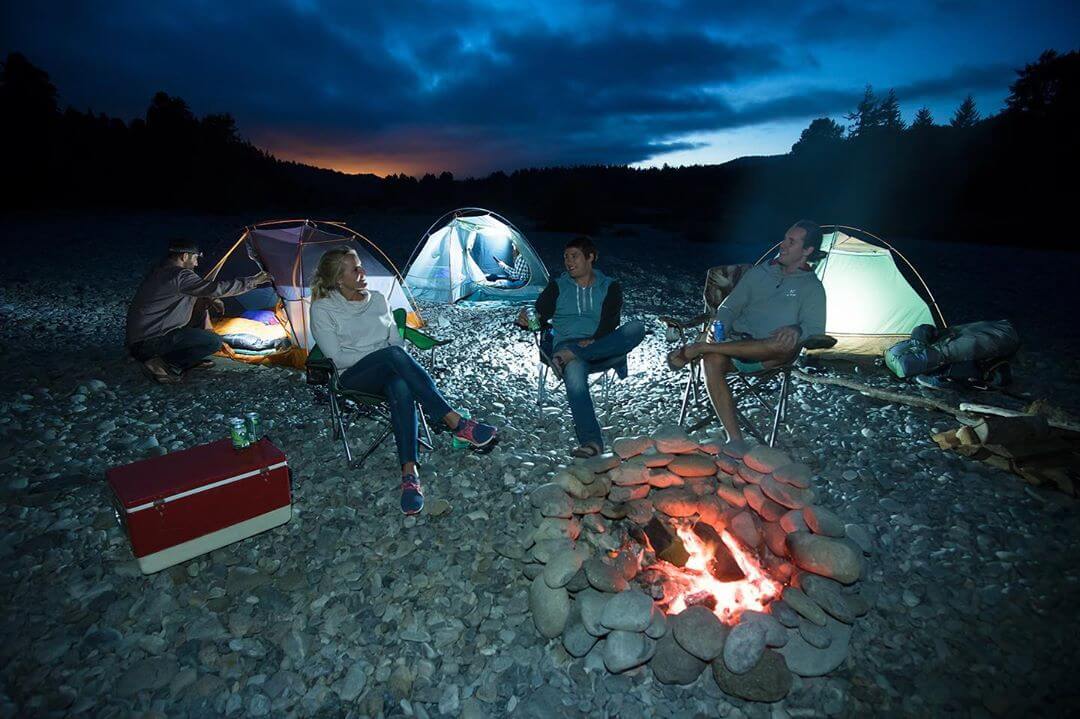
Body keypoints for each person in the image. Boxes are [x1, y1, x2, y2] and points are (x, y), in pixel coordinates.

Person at [309, 247, 498, 515]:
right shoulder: (323, 309)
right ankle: (454, 421)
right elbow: (337, 357)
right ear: (339, 279)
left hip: (390, 369)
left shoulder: (377, 299)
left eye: (361, 266)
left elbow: (395, 339)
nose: (363, 272)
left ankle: (410, 474)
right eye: (356, 269)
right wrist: (383, 356)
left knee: (401, 384)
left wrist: (389, 358)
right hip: (354, 376)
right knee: (393, 356)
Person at [667, 221, 827, 442]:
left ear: (807, 251)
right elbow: (729, 307)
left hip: (770, 354)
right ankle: (735, 439)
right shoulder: (759, 273)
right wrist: (717, 325)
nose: (783, 245)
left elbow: (816, 330)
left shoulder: (812, 288)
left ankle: (700, 347)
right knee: (711, 359)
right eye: (784, 238)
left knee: (782, 343)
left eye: (791, 242)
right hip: (734, 346)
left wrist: (798, 329)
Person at [519, 236, 645, 458]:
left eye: (574, 256)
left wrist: (594, 341)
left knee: (637, 328)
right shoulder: (557, 286)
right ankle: (592, 442)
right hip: (567, 343)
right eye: (566, 257)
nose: (569, 261)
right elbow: (539, 316)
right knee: (575, 372)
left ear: (591, 257)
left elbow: (610, 323)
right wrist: (528, 319)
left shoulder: (609, 287)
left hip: (601, 342)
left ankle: (572, 355)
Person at [126, 239, 271, 384]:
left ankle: (182, 360)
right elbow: (216, 288)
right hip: (151, 340)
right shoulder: (180, 275)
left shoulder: (162, 271)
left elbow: (200, 293)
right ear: (184, 257)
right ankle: (162, 363)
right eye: (195, 258)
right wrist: (255, 280)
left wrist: (211, 300)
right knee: (213, 341)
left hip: (139, 340)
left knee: (202, 313)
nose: (196, 263)